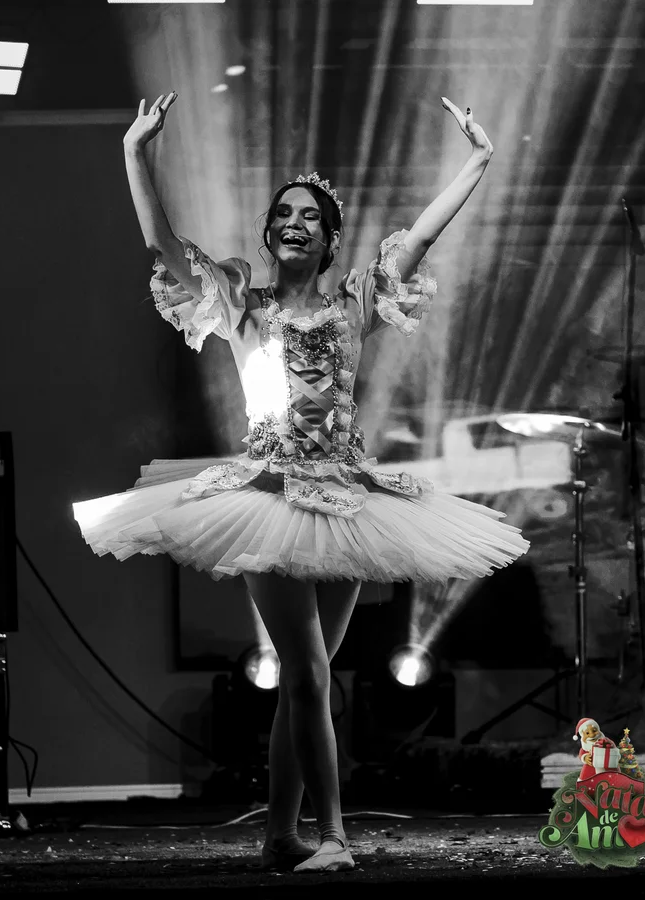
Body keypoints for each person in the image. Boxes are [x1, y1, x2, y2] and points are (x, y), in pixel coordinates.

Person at [73, 90, 529, 873]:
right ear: (269, 232)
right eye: (283, 213)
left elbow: (421, 236)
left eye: (310, 216)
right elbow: (162, 245)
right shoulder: (240, 305)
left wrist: (479, 161)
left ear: (329, 238)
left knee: (303, 683)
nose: (293, 222)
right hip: (271, 497)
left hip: (348, 500)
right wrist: (133, 152)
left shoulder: (356, 303)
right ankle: (336, 838)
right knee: (312, 672)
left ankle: (280, 835)